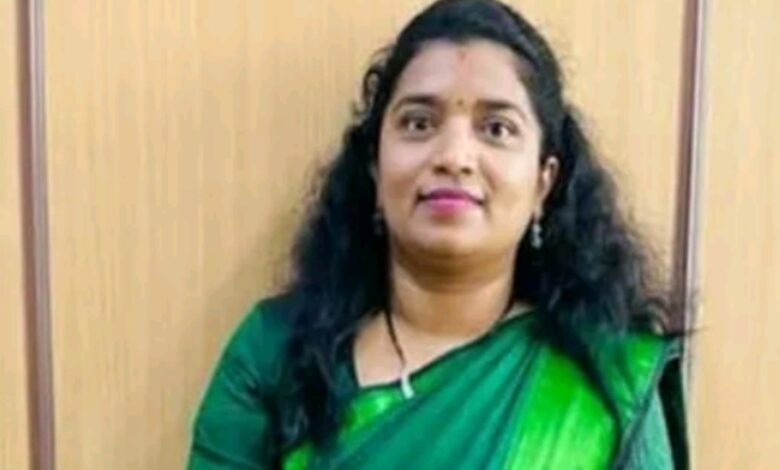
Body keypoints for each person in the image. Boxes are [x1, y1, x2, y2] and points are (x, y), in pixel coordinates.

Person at [188, 0, 688, 468]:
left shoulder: (609, 381)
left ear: (543, 182)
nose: (453, 156)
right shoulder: (275, 355)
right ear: (375, 166)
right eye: (419, 123)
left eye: (496, 128)